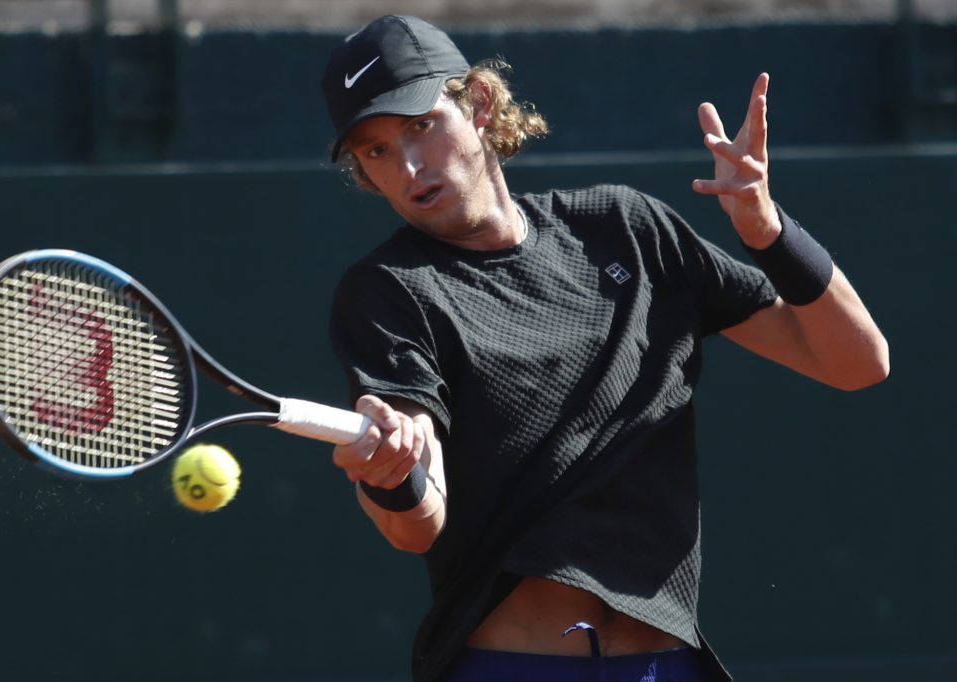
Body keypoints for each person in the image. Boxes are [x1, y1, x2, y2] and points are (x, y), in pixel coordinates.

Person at [320, 14, 888, 682]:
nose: (409, 166)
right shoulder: (388, 292)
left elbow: (857, 362)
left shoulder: (628, 229)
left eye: (420, 125)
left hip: (664, 663)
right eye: (376, 151)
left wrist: (767, 230)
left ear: (476, 103)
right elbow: (417, 524)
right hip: (509, 668)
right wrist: (393, 473)